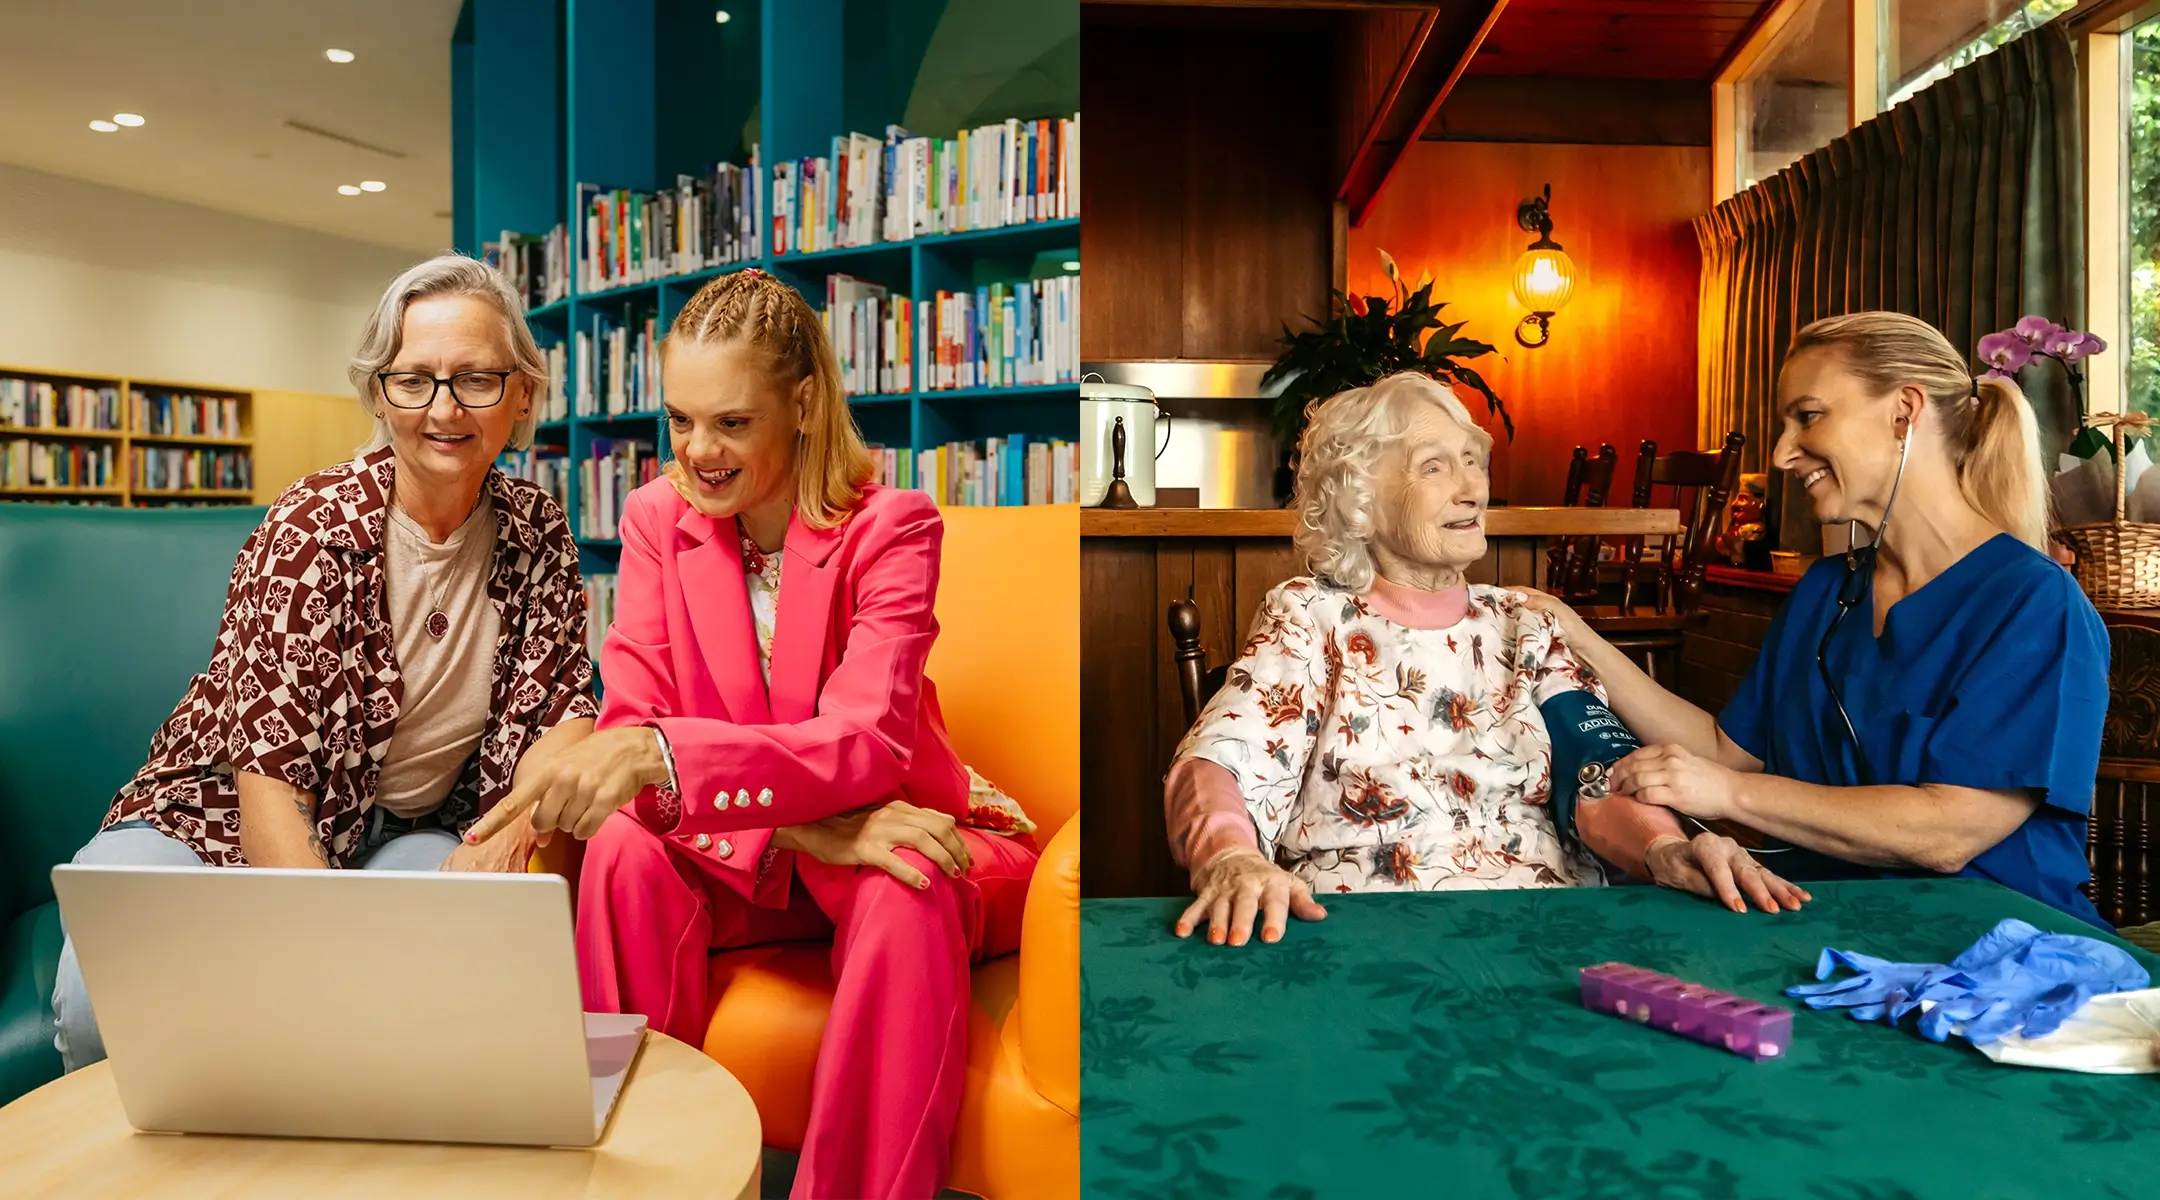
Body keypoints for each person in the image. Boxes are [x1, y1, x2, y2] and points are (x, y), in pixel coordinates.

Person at [462, 268, 1039, 1200]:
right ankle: (631, 1173)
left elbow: (868, 745)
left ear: (803, 402)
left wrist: (672, 763)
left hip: (916, 825)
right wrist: (798, 824)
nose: (699, 452)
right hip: (767, 849)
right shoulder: (657, 518)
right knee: (618, 851)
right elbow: (633, 724)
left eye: (731, 422)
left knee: (908, 882)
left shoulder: (893, 528)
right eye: (680, 421)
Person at [49, 254, 600, 1072]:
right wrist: (327, 961)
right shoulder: (313, 528)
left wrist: (514, 827)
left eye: (476, 380)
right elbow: (268, 794)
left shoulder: (538, 528)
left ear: (522, 393)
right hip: (219, 816)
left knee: (445, 987)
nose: (444, 408)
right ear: (380, 394)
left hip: (404, 829)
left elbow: (566, 714)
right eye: (414, 379)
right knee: (101, 1008)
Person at [1164, 372, 1807, 948]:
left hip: (1540, 926)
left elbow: (1598, 771)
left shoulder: (1526, 624)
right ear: (1359, 499)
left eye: (1474, 462)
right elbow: (1223, 758)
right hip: (1361, 932)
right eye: (1435, 466)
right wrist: (1228, 857)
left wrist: (1664, 846)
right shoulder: (1311, 616)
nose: (1473, 487)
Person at [1525, 311, 2111, 926]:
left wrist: (1727, 795)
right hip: (1822, 923)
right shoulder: (1829, 589)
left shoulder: (2034, 604)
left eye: (1808, 417)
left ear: (1904, 412)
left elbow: (1950, 832)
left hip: (1996, 951)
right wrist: (1575, 632)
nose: (1781, 453)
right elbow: (1729, 751)